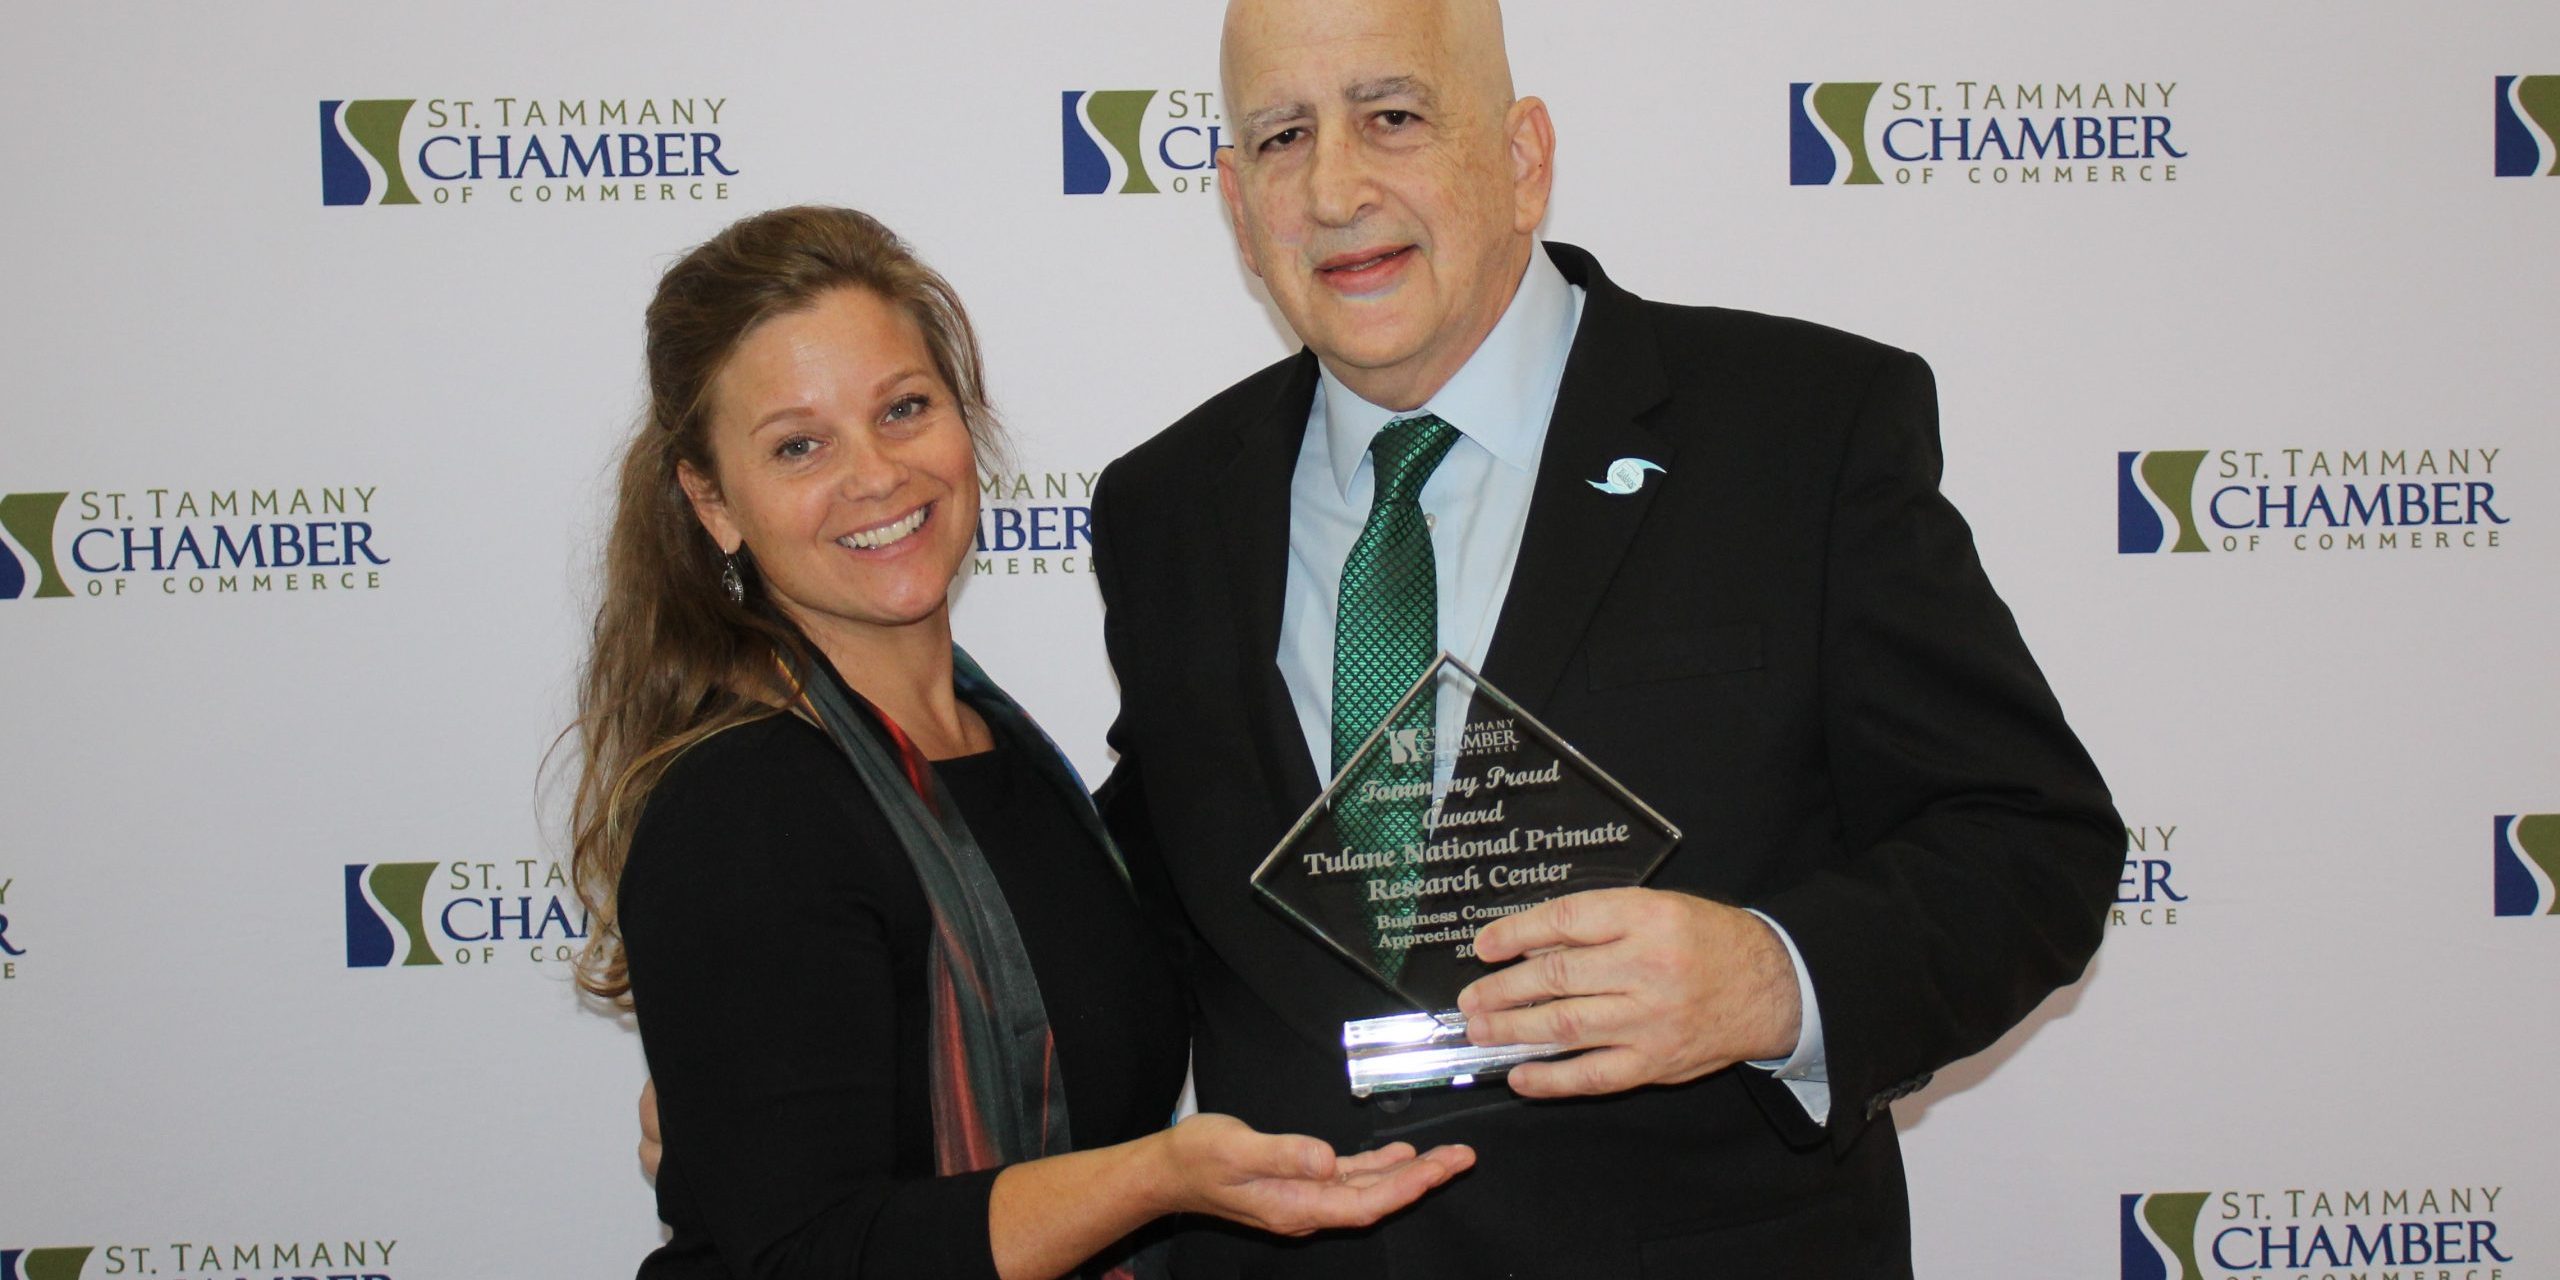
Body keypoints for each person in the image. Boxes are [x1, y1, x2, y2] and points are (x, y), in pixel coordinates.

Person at [1082, 0, 2123, 1274]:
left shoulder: (1798, 431)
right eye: (1280, 137)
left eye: (1391, 117)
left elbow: (2030, 843)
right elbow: (1141, 913)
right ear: (1239, 207)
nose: (1334, 185)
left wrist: (1769, 977)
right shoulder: (1166, 507)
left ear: (1522, 158)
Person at [569, 204, 1473, 1280]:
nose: (874, 473)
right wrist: (1156, 1178)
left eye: (903, 408)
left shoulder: (1005, 754)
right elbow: (807, 1254)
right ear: (712, 501)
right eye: (798, 444)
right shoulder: (745, 804)